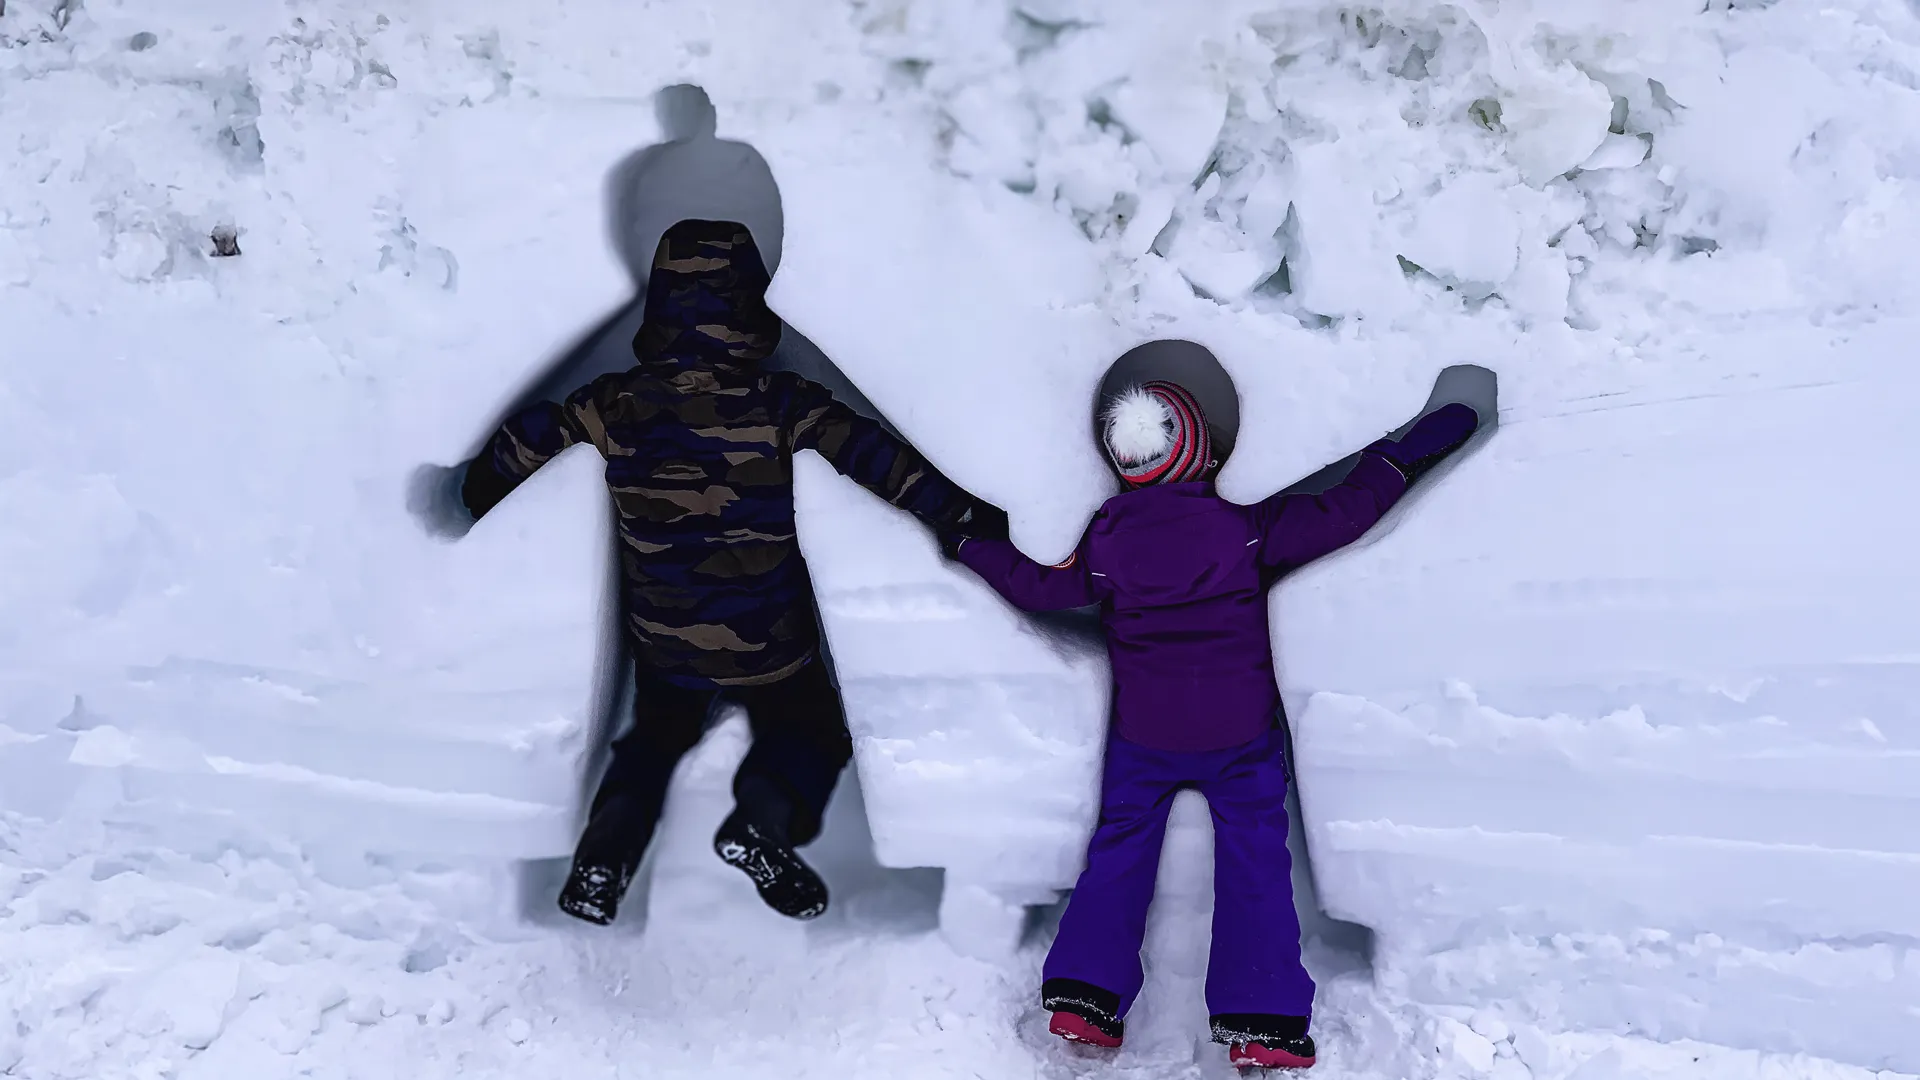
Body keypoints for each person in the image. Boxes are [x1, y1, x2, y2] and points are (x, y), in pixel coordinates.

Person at [411, 218, 1000, 926]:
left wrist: (475, 494)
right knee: (811, 732)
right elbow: (880, 463)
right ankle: (762, 821)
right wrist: (964, 516)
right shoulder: (780, 404)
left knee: (649, 746)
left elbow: (531, 438)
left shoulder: (616, 402)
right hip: (773, 647)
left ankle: (604, 858)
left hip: (665, 645)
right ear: (750, 304)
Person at [938, 364, 1491, 1070]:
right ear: (1202, 454)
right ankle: (1260, 1016)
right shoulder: (1245, 531)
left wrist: (967, 544)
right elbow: (1346, 511)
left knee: (1121, 850)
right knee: (1255, 858)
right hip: (1239, 738)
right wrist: (1402, 453)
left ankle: (1085, 995)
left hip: (1146, 738)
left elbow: (1039, 585)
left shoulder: (1106, 543)